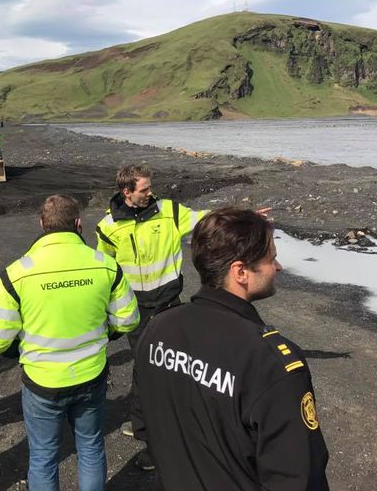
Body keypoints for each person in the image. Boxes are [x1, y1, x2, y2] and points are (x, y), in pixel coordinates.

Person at [135, 208, 330, 490]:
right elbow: (298, 477)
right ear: (240, 272)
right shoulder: (271, 362)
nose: (278, 267)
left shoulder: (157, 329)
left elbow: (144, 425)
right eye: (271, 258)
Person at [0, 194, 139, 491]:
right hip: (91, 376)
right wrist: (104, 337)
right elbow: (128, 320)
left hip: (42, 382)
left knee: (43, 457)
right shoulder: (105, 266)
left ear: (42, 224)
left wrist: (24, 351)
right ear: (79, 224)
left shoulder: (15, 274)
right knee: (91, 449)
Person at [94, 163, 209, 468]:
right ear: (126, 191)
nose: (150, 193)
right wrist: (105, 310)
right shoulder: (108, 228)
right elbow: (105, 270)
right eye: (144, 189)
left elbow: (205, 220)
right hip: (135, 311)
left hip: (170, 304)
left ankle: (157, 432)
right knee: (147, 368)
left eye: (149, 187)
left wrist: (243, 217)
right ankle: (149, 431)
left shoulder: (169, 212)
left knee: (169, 368)